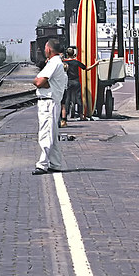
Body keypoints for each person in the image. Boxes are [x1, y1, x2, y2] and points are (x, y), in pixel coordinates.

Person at [32, 37, 67, 175]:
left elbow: (39, 82)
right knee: (53, 134)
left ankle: (42, 164)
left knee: (46, 134)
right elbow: (42, 81)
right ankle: (55, 163)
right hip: (50, 101)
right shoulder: (56, 63)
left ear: (48, 49)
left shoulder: (54, 63)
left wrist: (41, 82)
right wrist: (44, 83)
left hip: (48, 102)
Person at [61, 47, 99, 125]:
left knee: (67, 98)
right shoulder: (76, 62)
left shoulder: (64, 62)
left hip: (68, 81)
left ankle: (65, 117)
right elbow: (86, 68)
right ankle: (81, 115)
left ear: (67, 54)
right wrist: (95, 64)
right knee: (79, 98)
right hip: (76, 81)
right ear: (74, 54)